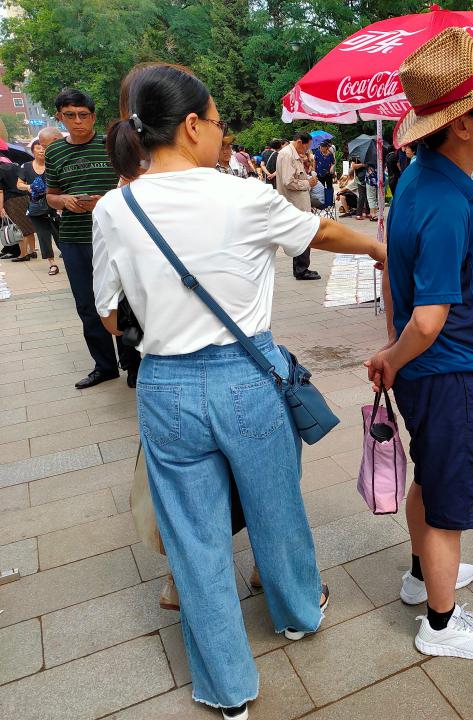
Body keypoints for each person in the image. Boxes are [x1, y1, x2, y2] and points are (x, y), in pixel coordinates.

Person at [93, 63, 385, 720]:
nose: (221, 134)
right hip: (246, 379)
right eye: (219, 122)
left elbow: (110, 315)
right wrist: (377, 250)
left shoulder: (117, 206)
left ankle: (227, 691)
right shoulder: (242, 195)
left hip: (165, 388)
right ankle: (296, 614)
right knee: (275, 505)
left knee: (194, 537)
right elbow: (322, 232)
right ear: (192, 125)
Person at [365, 27, 473, 661]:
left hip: (428, 371)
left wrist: (393, 352)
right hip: (449, 370)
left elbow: (392, 279)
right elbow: (429, 318)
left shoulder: (418, 181)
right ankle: (440, 624)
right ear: (463, 123)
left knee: (431, 476)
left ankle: (420, 575)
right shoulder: (445, 203)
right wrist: (391, 357)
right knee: (448, 499)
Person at [46, 88, 141, 389]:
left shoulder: (110, 144)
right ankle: (104, 365)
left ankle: (133, 364)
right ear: (60, 117)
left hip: (115, 236)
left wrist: (108, 201)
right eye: (69, 116)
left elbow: (134, 182)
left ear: (93, 116)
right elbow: (50, 195)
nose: (77, 122)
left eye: (83, 115)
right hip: (74, 238)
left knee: (123, 300)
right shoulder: (54, 152)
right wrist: (65, 201)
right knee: (87, 304)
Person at [17, 129, 62, 275]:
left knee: (60, 235)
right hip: (36, 208)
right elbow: (19, 184)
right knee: (43, 237)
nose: (41, 151)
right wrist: (29, 187)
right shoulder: (26, 167)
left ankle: (69, 257)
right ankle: (52, 264)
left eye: (43, 148)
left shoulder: (53, 165)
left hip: (54, 207)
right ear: (33, 150)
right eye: (38, 148)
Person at [275, 132, 320, 281]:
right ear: (300, 142)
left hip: (299, 202)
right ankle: (301, 269)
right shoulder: (288, 155)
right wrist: (308, 183)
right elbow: (289, 181)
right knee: (303, 234)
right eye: (307, 146)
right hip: (295, 203)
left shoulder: (293, 154)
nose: (307, 150)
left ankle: (301, 268)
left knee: (302, 234)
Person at [0, 150, 37, 263]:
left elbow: (0, 192)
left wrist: (1, 207)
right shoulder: (15, 166)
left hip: (11, 201)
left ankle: (23, 254)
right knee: (28, 225)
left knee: (19, 227)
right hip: (24, 197)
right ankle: (32, 251)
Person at [313, 140, 336, 208]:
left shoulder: (330, 154)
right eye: (320, 147)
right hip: (319, 173)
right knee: (321, 187)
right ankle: (322, 202)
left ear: (326, 147)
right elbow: (314, 162)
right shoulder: (317, 153)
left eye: (322, 147)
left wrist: (332, 167)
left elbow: (334, 162)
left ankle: (330, 202)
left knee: (329, 187)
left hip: (328, 173)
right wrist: (314, 171)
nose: (321, 148)